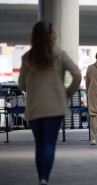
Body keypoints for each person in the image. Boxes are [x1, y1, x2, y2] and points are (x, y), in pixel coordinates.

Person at [18, 21, 81, 185]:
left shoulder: (27, 58)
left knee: (39, 145)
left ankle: (41, 178)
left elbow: (21, 84)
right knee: (49, 144)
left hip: (35, 107)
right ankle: (44, 179)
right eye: (54, 33)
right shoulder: (59, 54)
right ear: (49, 35)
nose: (56, 35)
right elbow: (77, 75)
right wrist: (67, 93)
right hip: (55, 107)